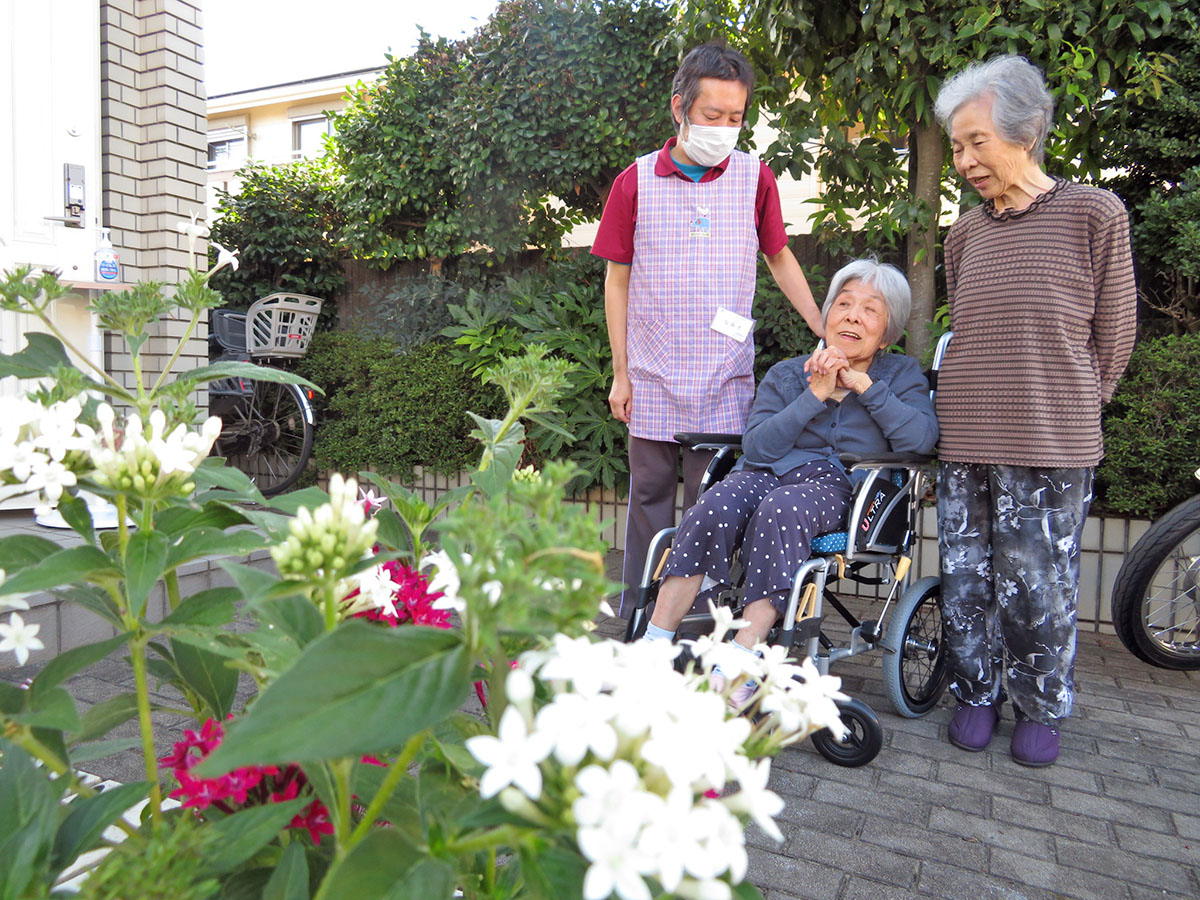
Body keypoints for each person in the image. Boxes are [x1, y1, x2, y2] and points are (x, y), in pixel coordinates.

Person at [932, 55, 1137, 767]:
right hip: (965, 433)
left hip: (1052, 436)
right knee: (966, 576)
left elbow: (1115, 332)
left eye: (975, 141)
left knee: (1038, 585)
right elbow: (972, 330)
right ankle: (975, 693)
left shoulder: (1093, 213)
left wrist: (1078, 404)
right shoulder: (964, 235)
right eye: (956, 147)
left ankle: (1042, 704)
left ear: (1026, 130)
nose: (963, 161)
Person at [639, 259, 939, 704]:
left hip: (839, 486)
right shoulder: (787, 373)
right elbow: (757, 448)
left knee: (782, 509)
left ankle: (741, 663)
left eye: (870, 309)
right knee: (717, 501)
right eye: (843, 304)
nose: (853, 316)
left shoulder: (901, 375)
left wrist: (864, 386)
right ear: (827, 315)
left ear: (888, 332)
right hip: (764, 475)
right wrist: (814, 394)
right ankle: (653, 645)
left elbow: (921, 439)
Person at [592, 42, 824, 615]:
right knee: (647, 493)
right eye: (711, 115)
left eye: (736, 118)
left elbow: (780, 257)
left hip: (723, 374)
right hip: (650, 370)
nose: (724, 128)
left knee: (713, 498)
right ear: (680, 108)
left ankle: (702, 611)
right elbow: (615, 281)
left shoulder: (755, 177)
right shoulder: (636, 181)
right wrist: (621, 372)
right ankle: (638, 606)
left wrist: (824, 327)